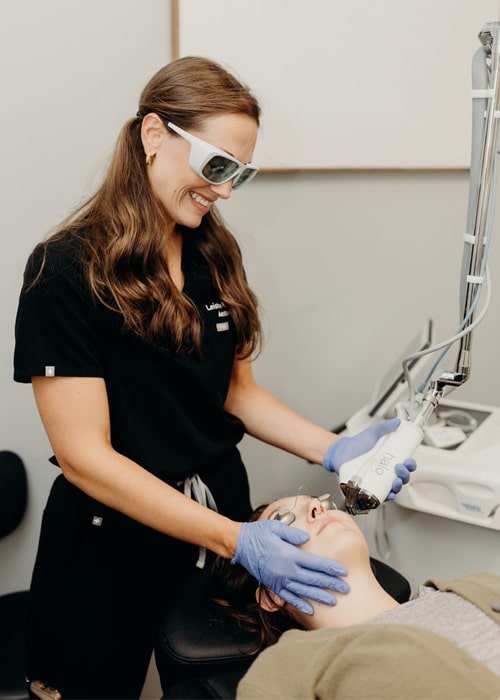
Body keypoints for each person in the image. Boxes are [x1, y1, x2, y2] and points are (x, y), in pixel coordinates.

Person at [13, 56, 416, 699]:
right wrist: (237, 539)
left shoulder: (212, 251)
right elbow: (84, 456)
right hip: (109, 540)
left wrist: (337, 450)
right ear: (153, 136)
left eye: (241, 174)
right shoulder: (66, 271)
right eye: (218, 166)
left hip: (219, 519)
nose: (225, 191)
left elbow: (237, 393)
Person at [211, 491, 500, 699]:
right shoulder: (289, 670)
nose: (318, 508)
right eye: (284, 519)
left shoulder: (473, 587)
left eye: (324, 502)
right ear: (272, 597)